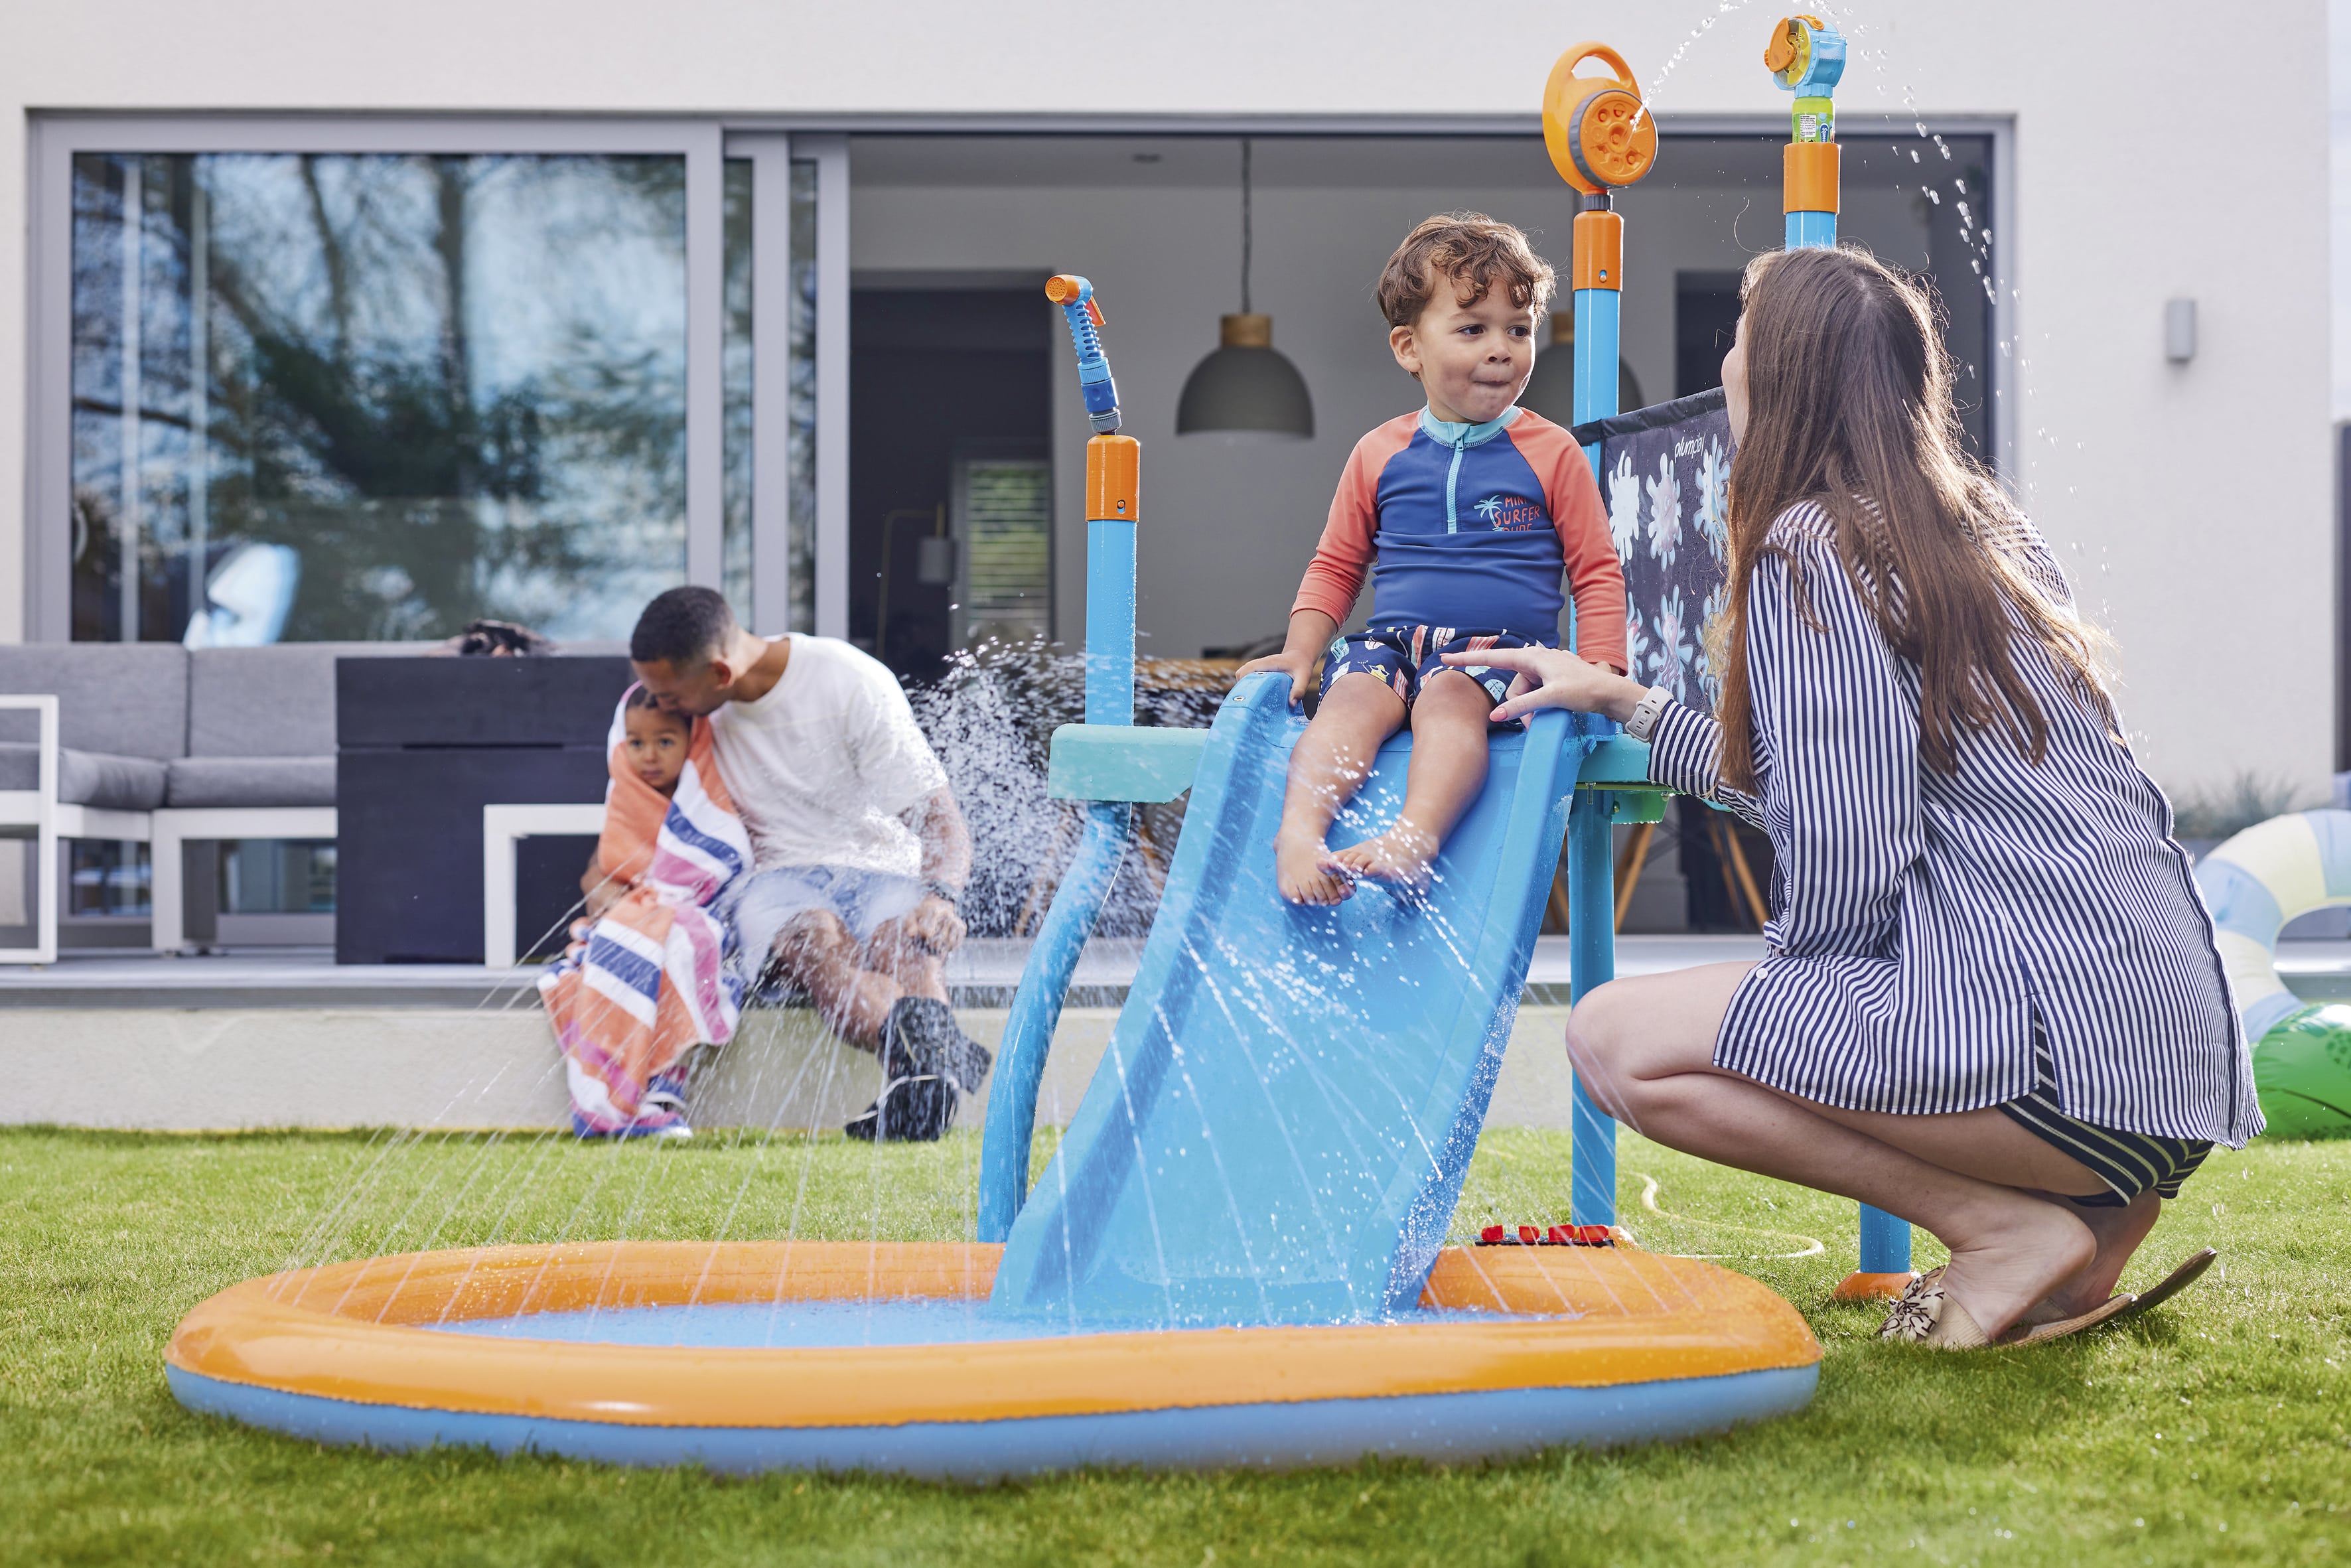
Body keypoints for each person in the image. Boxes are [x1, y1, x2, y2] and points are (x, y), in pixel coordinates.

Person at [1457, 244, 2258, 1348]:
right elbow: (1834, 782)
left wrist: (1795, 994)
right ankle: (2090, 1228)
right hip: (2167, 1063)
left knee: (1610, 1040)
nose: (1724, 361)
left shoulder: (1806, 546)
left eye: (1737, 341)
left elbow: (1844, 842)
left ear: (1777, 376)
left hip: (2046, 1062)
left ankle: (2002, 1229)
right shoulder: (1981, 532)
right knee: (1720, 1018)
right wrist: (1627, 702)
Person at [1238, 213, 1627, 905]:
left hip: (1500, 655)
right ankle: (1298, 832)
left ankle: (1415, 836)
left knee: (1450, 699)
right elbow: (1336, 565)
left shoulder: (1552, 452)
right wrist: (1303, 651)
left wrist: (1600, 671)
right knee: (1347, 702)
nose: (1502, 348)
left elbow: (1595, 570)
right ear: (1409, 347)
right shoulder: (1379, 453)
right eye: (1473, 328)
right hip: (1394, 642)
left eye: (1518, 327)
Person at [622, 587, 990, 1141]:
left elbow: (941, 820)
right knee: (814, 939)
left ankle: (920, 1083)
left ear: (720, 674)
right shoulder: (687, 715)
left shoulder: (847, 680)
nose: (658, 706)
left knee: (908, 943)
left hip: (884, 865)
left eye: (669, 694)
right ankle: (931, 1061)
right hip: (777, 880)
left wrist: (941, 896)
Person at [547, 685, 751, 1140]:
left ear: (693, 743)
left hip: (700, 920)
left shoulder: (708, 802)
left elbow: (723, 867)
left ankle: (661, 1089)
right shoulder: (627, 800)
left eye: (665, 741)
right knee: (621, 950)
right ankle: (617, 1094)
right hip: (637, 919)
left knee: (682, 944)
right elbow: (612, 873)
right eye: (636, 743)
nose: (649, 756)